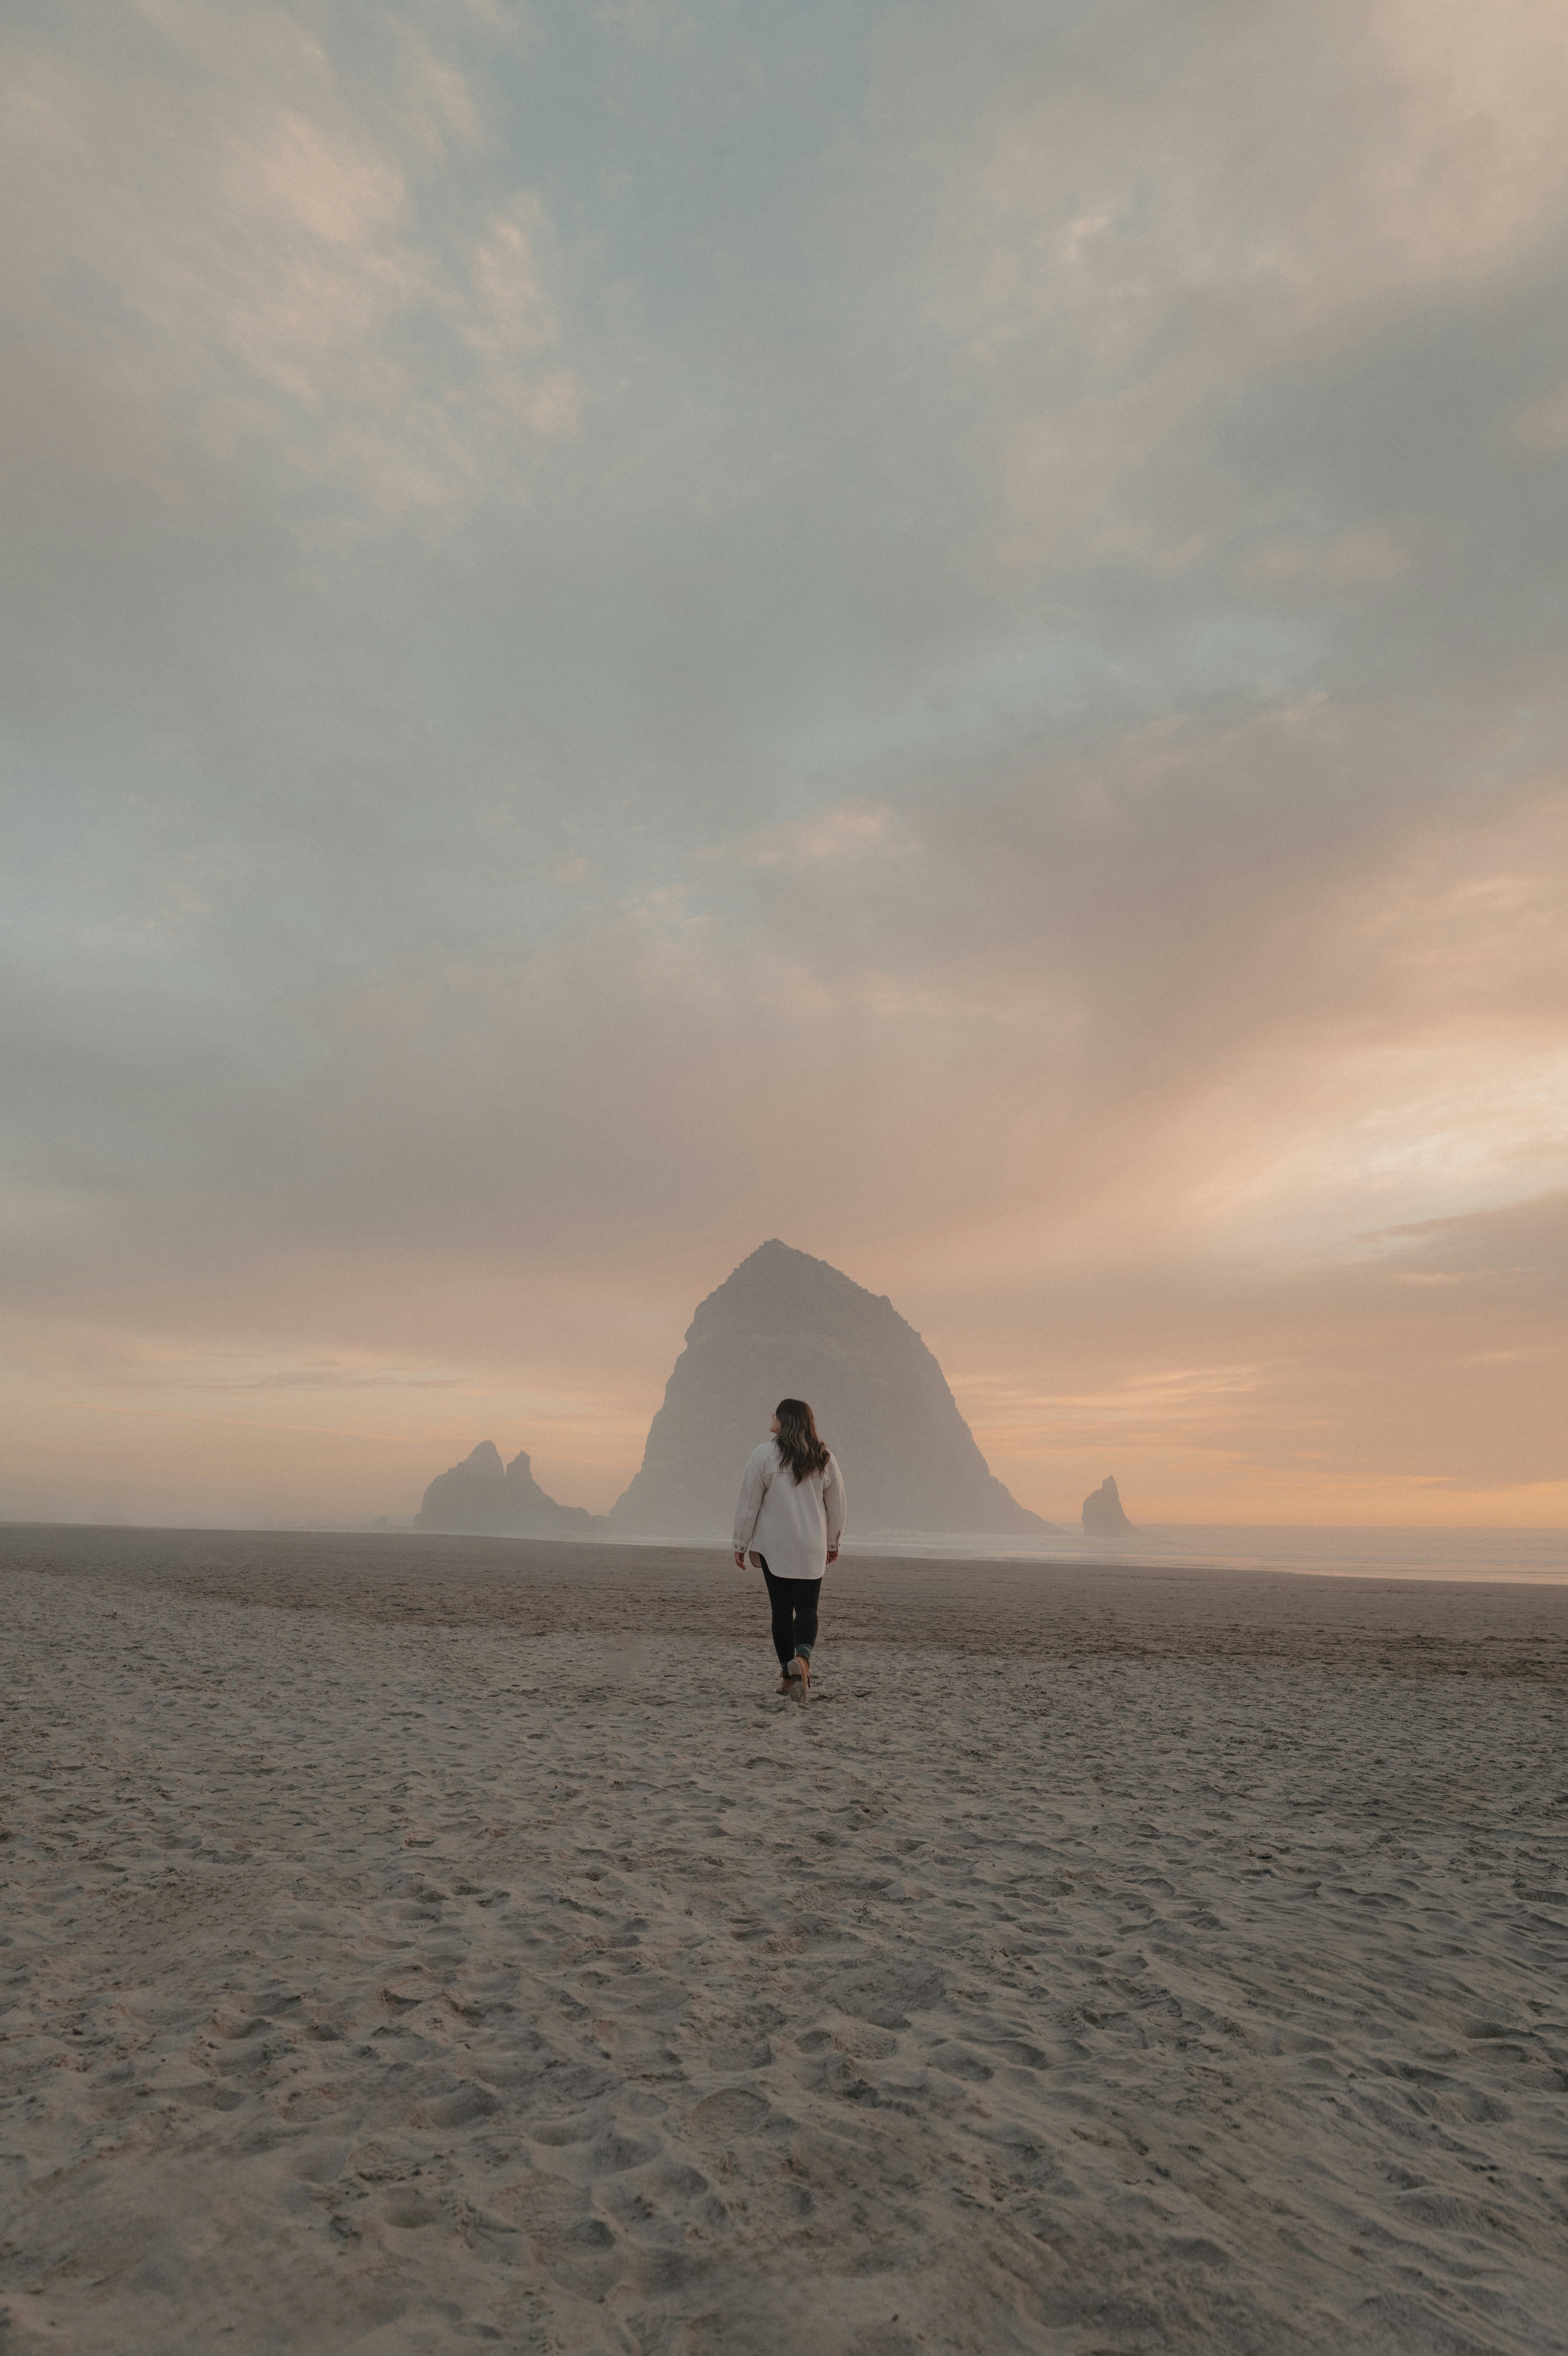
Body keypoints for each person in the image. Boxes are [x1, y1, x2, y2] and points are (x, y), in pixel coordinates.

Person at [732, 1398, 846, 1701]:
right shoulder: (824, 1458)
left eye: (776, 1414)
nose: (771, 1417)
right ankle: (804, 1661)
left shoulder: (763, 1456)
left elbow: (748, 1505)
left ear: (786, 1420)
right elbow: (837, 1506)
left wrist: (740, 1544)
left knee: (781, 1612)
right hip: (811, 1545)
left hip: (774, 1546)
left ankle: (787, 1674)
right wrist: (833, 1543)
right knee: (807, 1608)